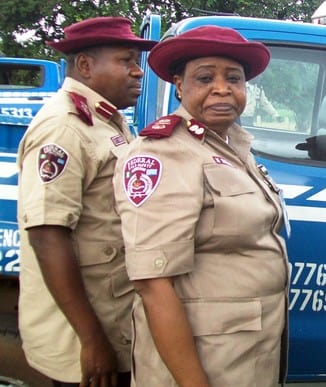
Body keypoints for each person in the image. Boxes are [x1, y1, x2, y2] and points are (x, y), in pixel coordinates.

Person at [112, 25, 289, 386]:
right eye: (205, 77)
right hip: (200, 363)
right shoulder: (163, 152)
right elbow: (153, 283)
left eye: (234, 79)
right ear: (178, 85)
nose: (222, 88)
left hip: (241, 351)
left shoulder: (230, 145)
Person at [16, 17, 156, 387]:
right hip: (87, 336)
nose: (137, 72)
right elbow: (47, 235)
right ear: (85, 66)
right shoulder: (65, 127)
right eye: (126, 60)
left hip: (112, 315)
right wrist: (92, 340)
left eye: (136, 63)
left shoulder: (107, 120)